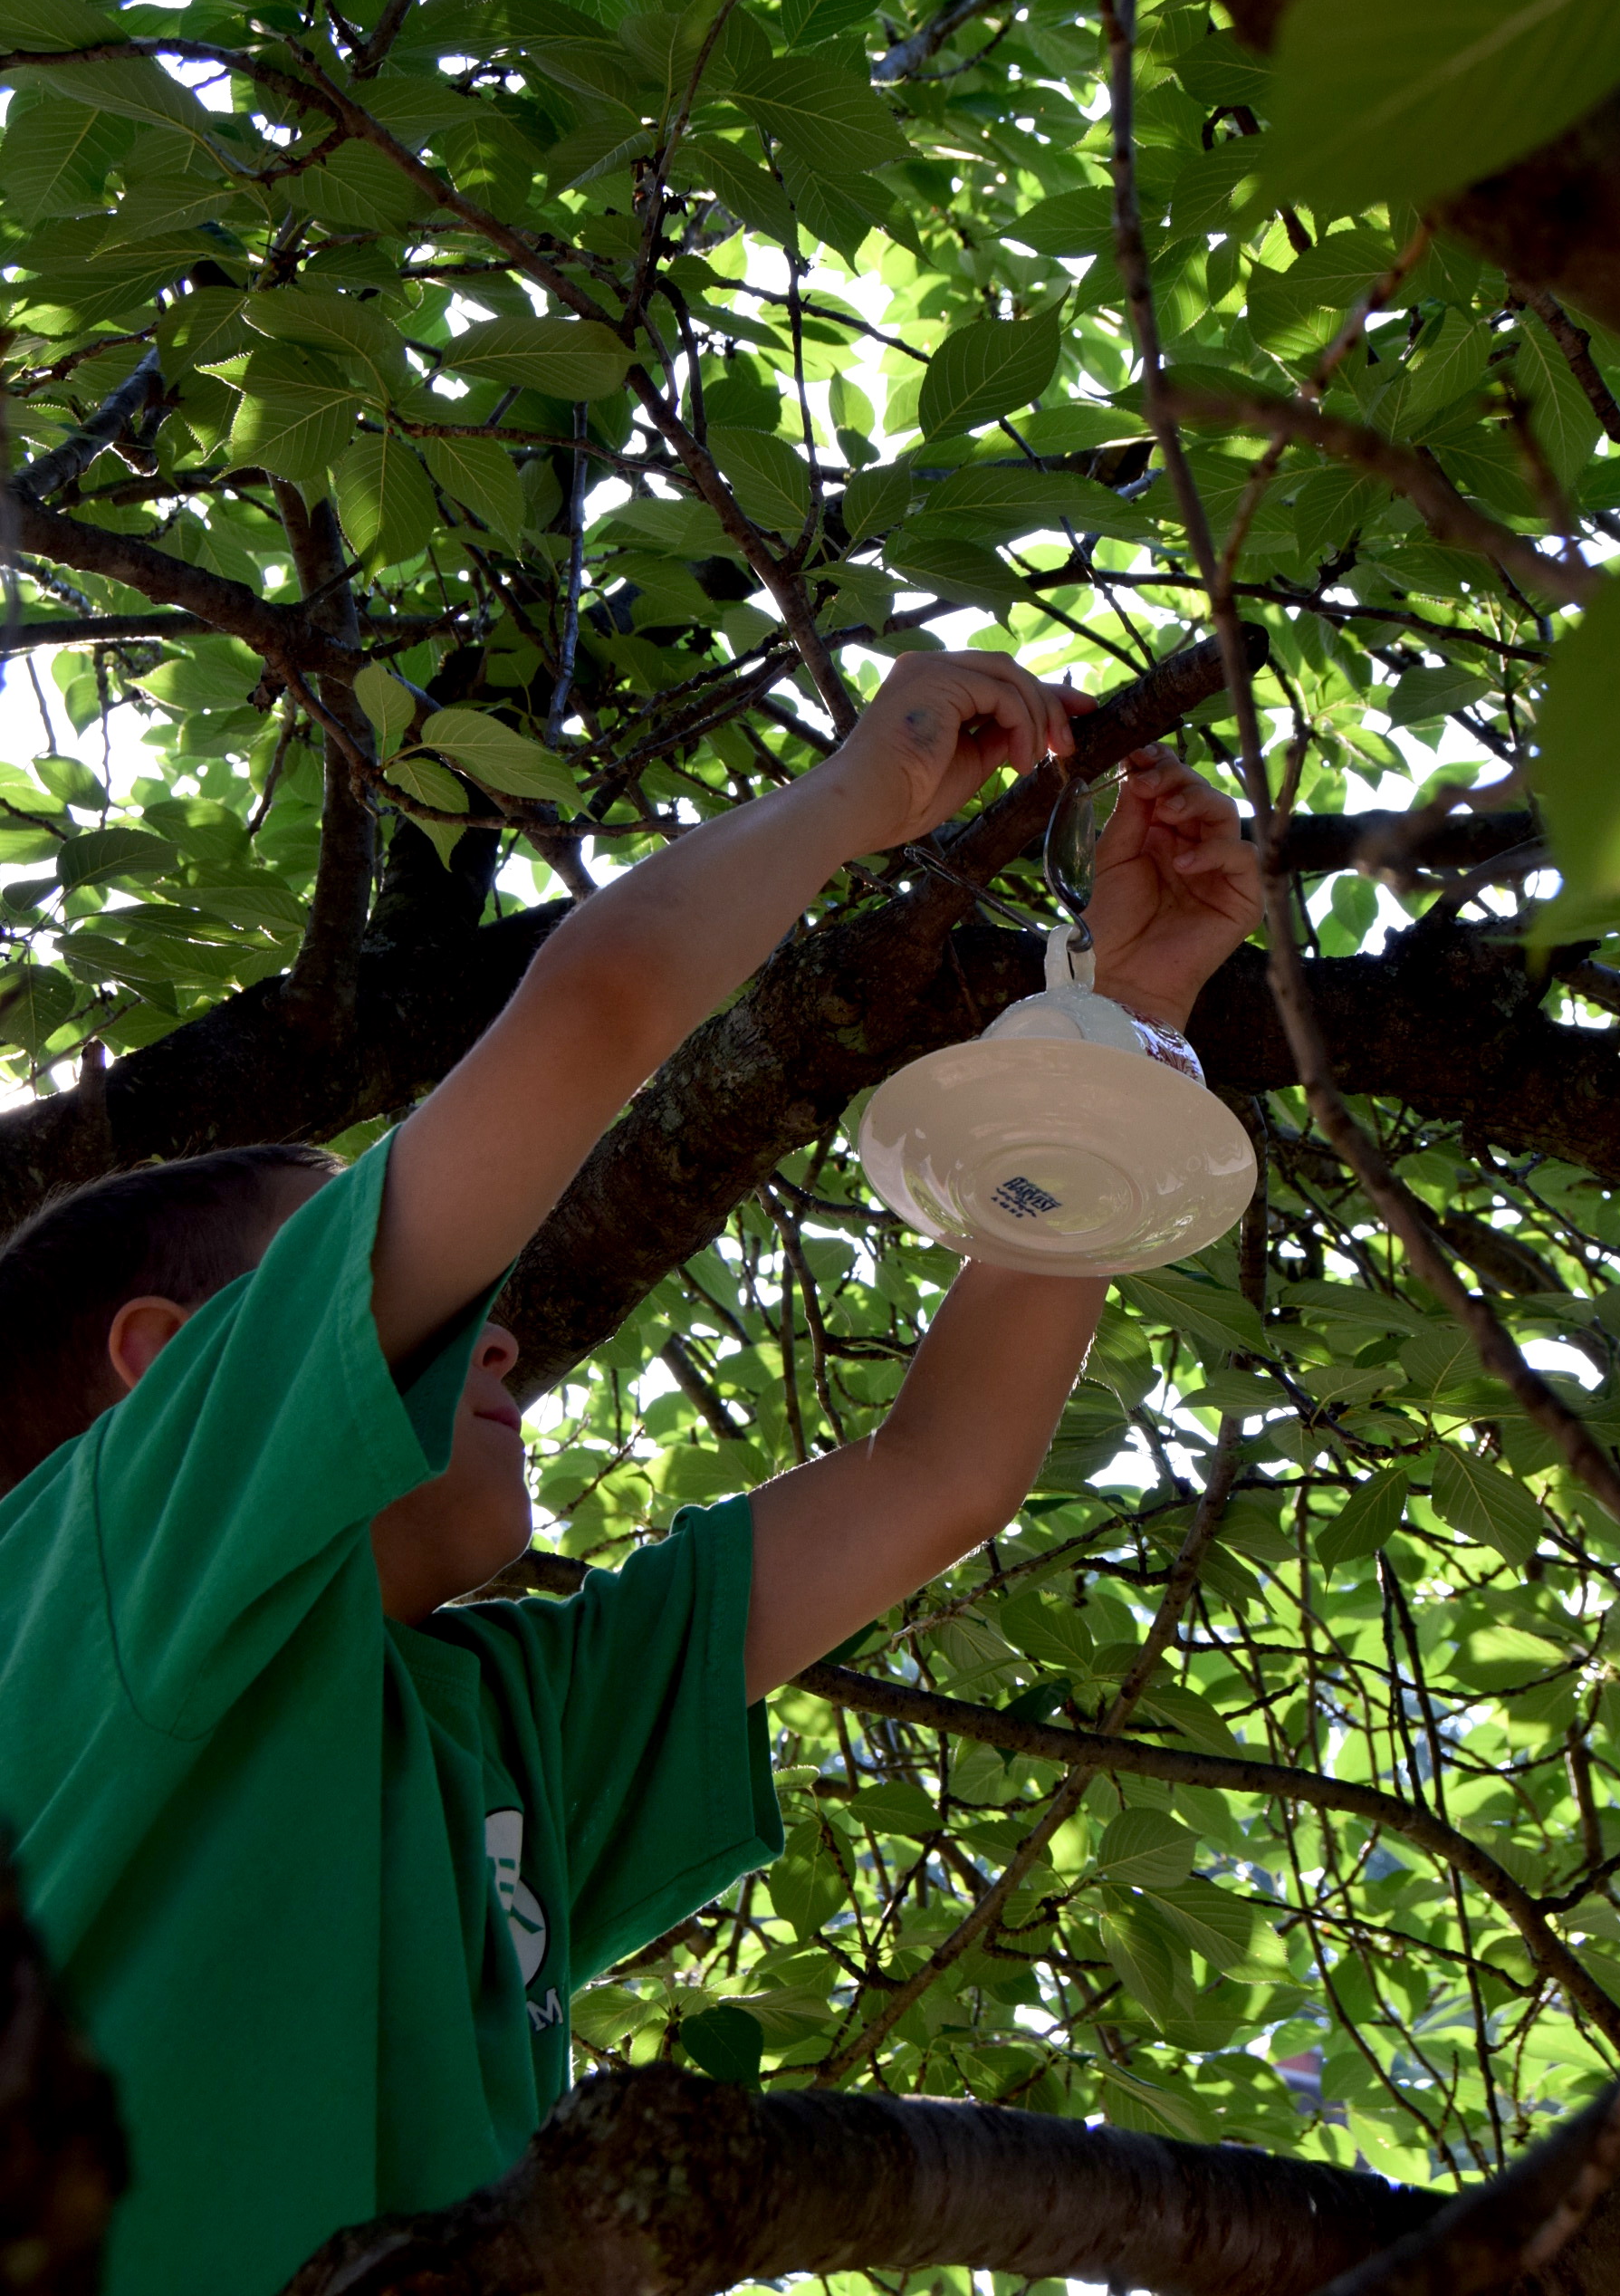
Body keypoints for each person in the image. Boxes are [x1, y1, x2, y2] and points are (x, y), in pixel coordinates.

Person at [0, 650, 1261, 2296]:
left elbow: (943, 1471)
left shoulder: (499, 1724)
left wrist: (1124, 1029)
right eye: (381, 1289)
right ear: (174, 1374)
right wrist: (849, 800)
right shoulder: (94, 1576)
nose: (495, 1337)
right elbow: (594, 1013)